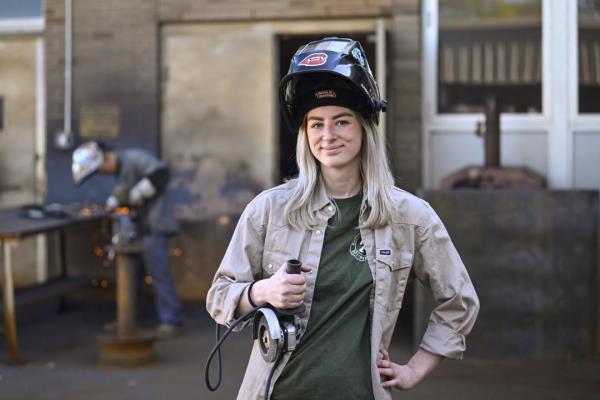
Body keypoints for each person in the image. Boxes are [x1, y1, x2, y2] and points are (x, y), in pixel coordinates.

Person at [206, 37, 479, 399]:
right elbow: (219, 297)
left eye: (341, 121)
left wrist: (415, 368)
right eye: (316, 124)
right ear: (305, 135)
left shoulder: (409, 216)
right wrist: (263, 290)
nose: (328, 135)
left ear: (364, 129)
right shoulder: (270, 209)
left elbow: (459, 301)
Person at [72, 141, 183, 339]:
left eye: (99, 170)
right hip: (139, 229)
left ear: (105, 159)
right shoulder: (122, 171)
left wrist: (137, 193)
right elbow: (125, 194)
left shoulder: (135, 156)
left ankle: (171, 321)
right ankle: (128, 318)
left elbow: (161, 174)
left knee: (159, 274)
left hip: (156, 228)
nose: (102, 174)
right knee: (132, 275)